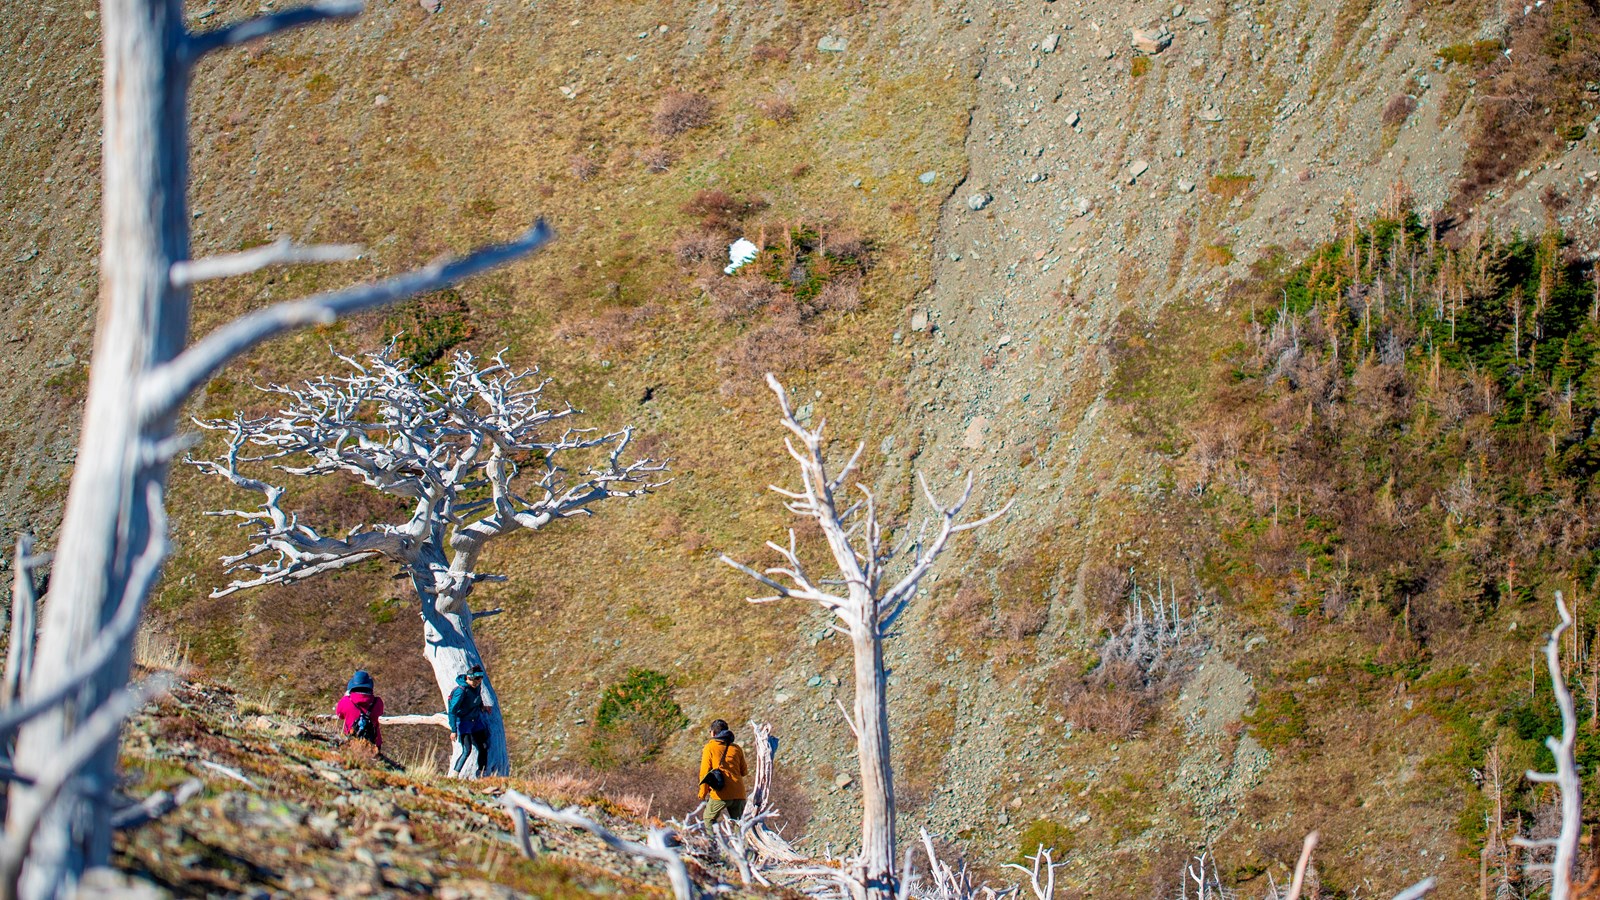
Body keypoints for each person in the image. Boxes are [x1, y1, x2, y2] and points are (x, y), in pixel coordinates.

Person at [697, 719, 748, 826]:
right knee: (739, 824)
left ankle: (714, 842)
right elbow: (744, 771)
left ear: (713, 733)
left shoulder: (710, 747)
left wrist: (702, 793)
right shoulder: (737, 748)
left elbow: (704, 772)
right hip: (739, 793)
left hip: (721, 793)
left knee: (708, 819)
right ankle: (741, 842)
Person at [448, 663, 492, 776]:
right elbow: (452, 711)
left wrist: (482, 706)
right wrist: (453, 730)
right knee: (467, 750)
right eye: (475, 682)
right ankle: (454, 774)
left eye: (479, 682)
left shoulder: (477, 686)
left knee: (484, 746)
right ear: (468, 678)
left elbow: (477, 697)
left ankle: (481, 773)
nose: (476, 684)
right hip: (463, 722)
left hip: (475, 720)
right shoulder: (461, 691)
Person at [335, 670, 384, 750]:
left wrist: (345, 697)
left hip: (350, 740)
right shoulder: (377, 702)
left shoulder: (346, 701)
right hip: (374, 743)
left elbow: (339, 714)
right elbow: (380, 712)